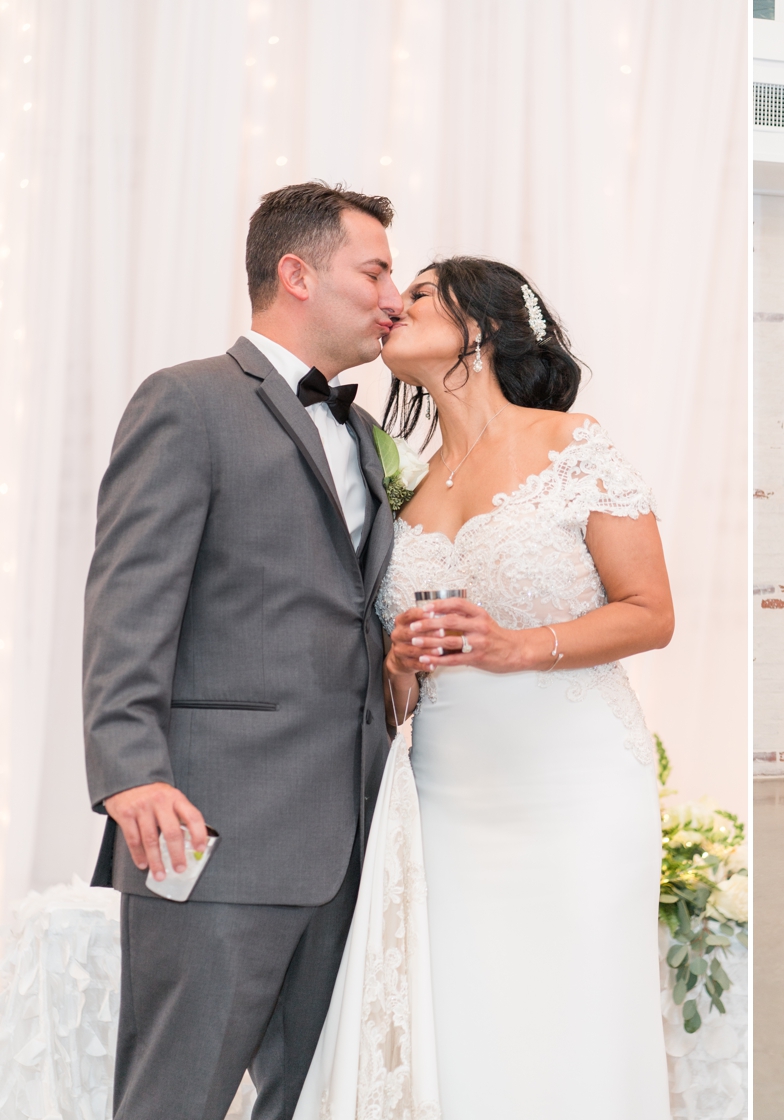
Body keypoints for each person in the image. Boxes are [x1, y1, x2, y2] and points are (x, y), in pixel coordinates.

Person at [296, 258, 675, 1117]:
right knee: (463, 1020)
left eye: (420, 295)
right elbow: (399, 689)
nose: (394, 305)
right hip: (443, 797)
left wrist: (521, 646)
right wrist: (399, 663)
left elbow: (651, 612)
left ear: (484, 326)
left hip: (574, 786)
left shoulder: (575, 445)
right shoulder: (404, 481)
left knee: (568, 1015)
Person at [82, 182, 401, 1118]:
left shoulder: (369, 433)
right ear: (297, 274)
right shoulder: (188, 401)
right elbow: (129, 599)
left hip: (351, 831)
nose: (392, 297)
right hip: (211, 826)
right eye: (375, 272)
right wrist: (131, 769)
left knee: (319, 1100)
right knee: (175, 1096)